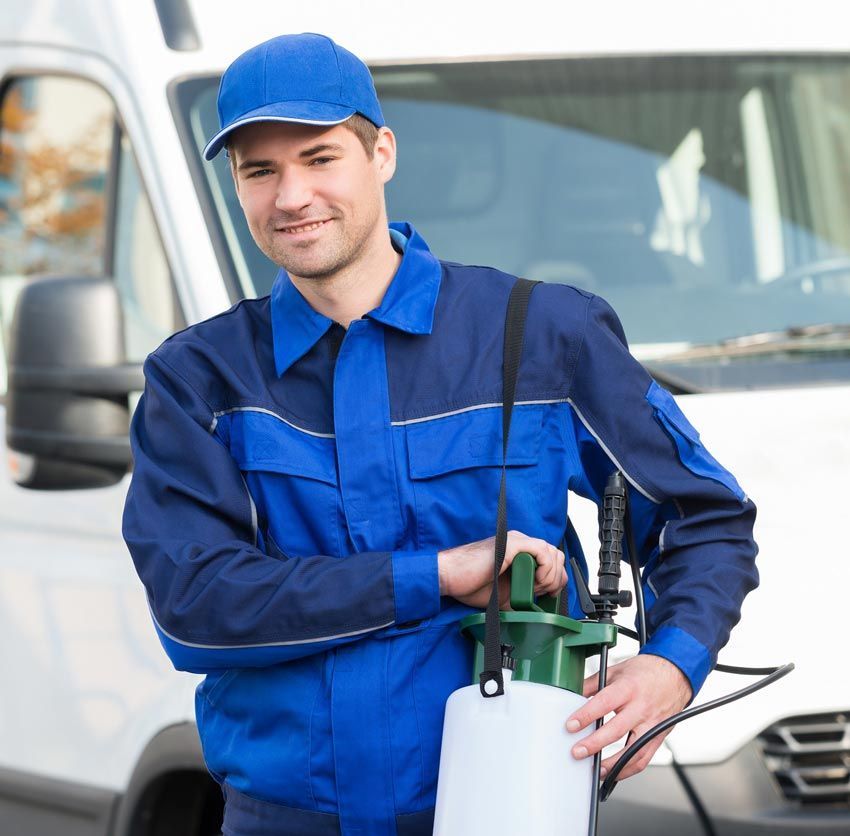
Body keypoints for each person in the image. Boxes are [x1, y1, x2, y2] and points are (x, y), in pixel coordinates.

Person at [122, 32, 758, 836]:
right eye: (260, 171)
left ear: (381, 153)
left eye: (320, 158)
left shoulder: (538, 335)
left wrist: (673, 664)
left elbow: (706, 517)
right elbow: (194, 605)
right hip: (284, 820)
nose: (291, 196)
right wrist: (443, 574)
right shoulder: (199, 380)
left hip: (514, 807)